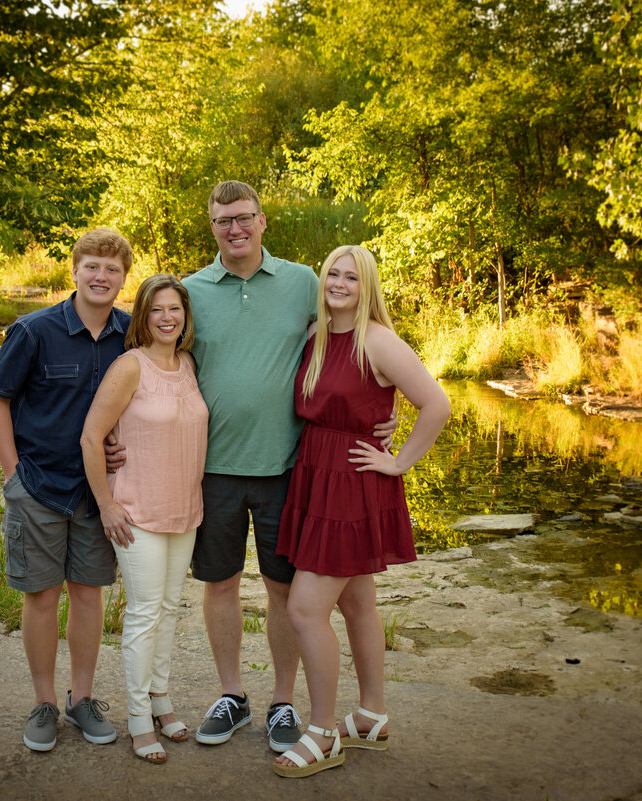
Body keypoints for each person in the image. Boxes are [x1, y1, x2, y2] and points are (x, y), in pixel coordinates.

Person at [181, 181, 397, 753]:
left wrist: (387, 408)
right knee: (220, 583)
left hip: (289, 468)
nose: (235, 228)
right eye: (223, 220)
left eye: (244, 217)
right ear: (212, 227)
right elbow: (159, 363)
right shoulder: (191, 291)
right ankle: (231, 695)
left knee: (284, 590)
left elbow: (358, 342)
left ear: (263, 220)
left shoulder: (305, 281)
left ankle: (283, 702)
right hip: (214, 468)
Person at [271, 244, 451, 778]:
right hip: (315, 475)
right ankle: (371, 715)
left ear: (367, 284)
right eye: (333, 274)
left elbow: (436, 404)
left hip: (352, 482)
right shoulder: (317, 336)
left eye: (351, 277)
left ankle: (323, 732)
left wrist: (398, 464)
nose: (339, 284)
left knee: (305, 610)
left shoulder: (378, 340)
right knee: (356, 606)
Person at [0, 227, 133, 753]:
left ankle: (83, 698)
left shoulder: (130, 334)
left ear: (123, 277)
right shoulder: (34, 330)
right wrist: (12, 474)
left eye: (112, 269)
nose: (101, 276)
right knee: (42, 596)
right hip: (39, 485)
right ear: (74, 269)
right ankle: (44, 703)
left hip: (98, 494)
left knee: (88, 594)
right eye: (92, 265)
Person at [80, 274, 209, 764]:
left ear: (185, 316)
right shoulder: (128, 367)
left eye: (175, 309)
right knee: (143, 614)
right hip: (136, 511)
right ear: (143, 317)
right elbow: (93, 438)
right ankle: (137, 720)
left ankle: (160, 700)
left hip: (185, 510)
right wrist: (107, 504)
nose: (167, 317)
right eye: (157, 309)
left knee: (171, 609)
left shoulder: (188, 364)